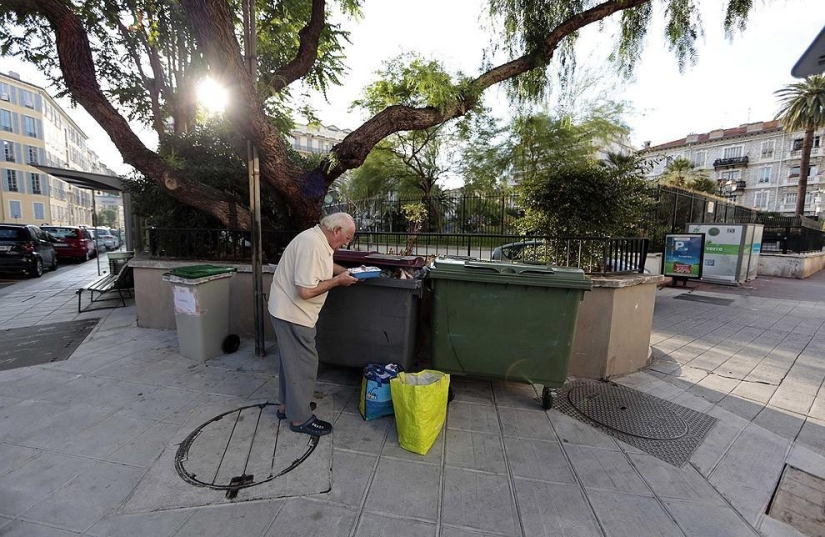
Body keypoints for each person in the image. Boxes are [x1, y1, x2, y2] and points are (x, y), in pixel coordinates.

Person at [268, 212, 359, 436]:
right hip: (293, 314)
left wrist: (345, 271)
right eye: (347, 237)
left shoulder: (317, 239)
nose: (347, 242)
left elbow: (325, 264)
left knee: (290, 363)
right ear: (336, 230)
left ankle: (288, 406)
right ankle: (300, 418)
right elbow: (305, 291)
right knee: (304, 364)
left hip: (286, 310)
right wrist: (338, 281)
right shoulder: (312, 244)